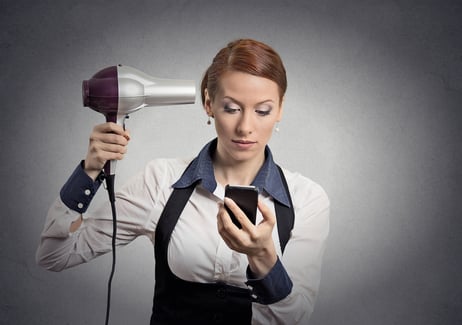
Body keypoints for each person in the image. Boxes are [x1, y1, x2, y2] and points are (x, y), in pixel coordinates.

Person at [37, 38, 330, 324]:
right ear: (208, 104)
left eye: (263, 110)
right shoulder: (160, 181)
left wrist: (262, 256)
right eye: (231, 108)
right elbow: (54, 256)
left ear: (279, 109)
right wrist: (89, 170)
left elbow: (294, 317)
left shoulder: (306, 199)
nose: (245, 127)